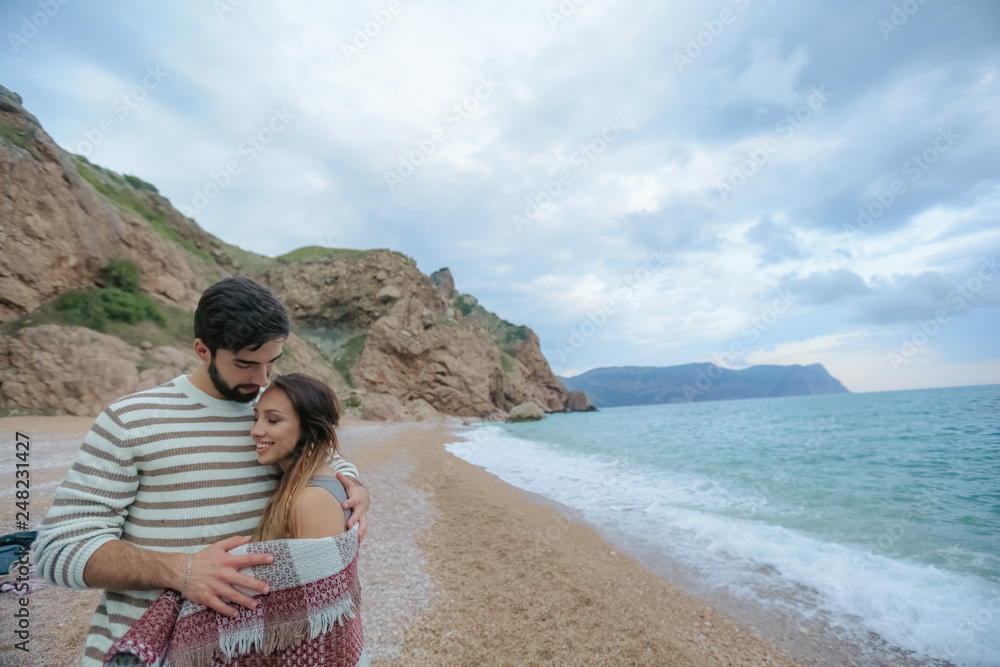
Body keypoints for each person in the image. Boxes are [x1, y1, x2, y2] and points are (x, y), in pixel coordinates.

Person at [32, 277, 371, 666]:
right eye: (244, 363)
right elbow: (57, 550)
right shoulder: (131, 420)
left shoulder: (270, 413)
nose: (261, 380)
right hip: (147, 652)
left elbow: (319, 451)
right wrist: (181, 570)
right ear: (202, 350)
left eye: (271, 362)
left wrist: (356, 485)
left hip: (247, 650)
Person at [249, 373, 353, 542]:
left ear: (309, 430)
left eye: (273, 420)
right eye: (255, 417)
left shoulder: (311, 500)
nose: (255, 431)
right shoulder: (300, 484)